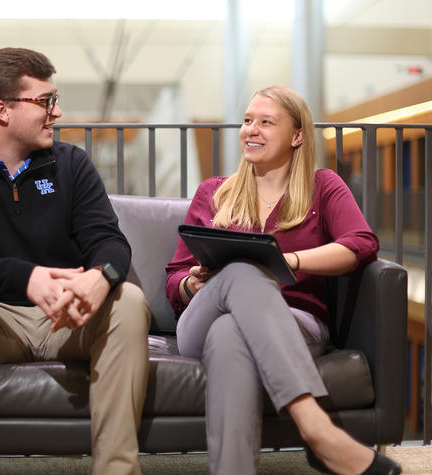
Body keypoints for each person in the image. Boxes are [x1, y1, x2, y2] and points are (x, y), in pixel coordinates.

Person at [0, 47, 151, 475]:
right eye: (45, 102)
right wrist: (24, 277)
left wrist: (100, 278)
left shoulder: (71, 164)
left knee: (128, 299)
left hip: (67, 318)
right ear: (2, 110)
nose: (56, 112)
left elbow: (111, 244)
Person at [165, 86, 401, 475]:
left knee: (230, 333)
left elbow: (361, 245)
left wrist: (287, 261)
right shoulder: (214, 192)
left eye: (266, 122)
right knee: (242, 272)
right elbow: (174, 280)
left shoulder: (323, 186)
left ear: (296, 136)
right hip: (199, 323)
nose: (250, 130)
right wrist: (194, 283)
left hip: (293, 323)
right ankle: (318, 430)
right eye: (246, 121)